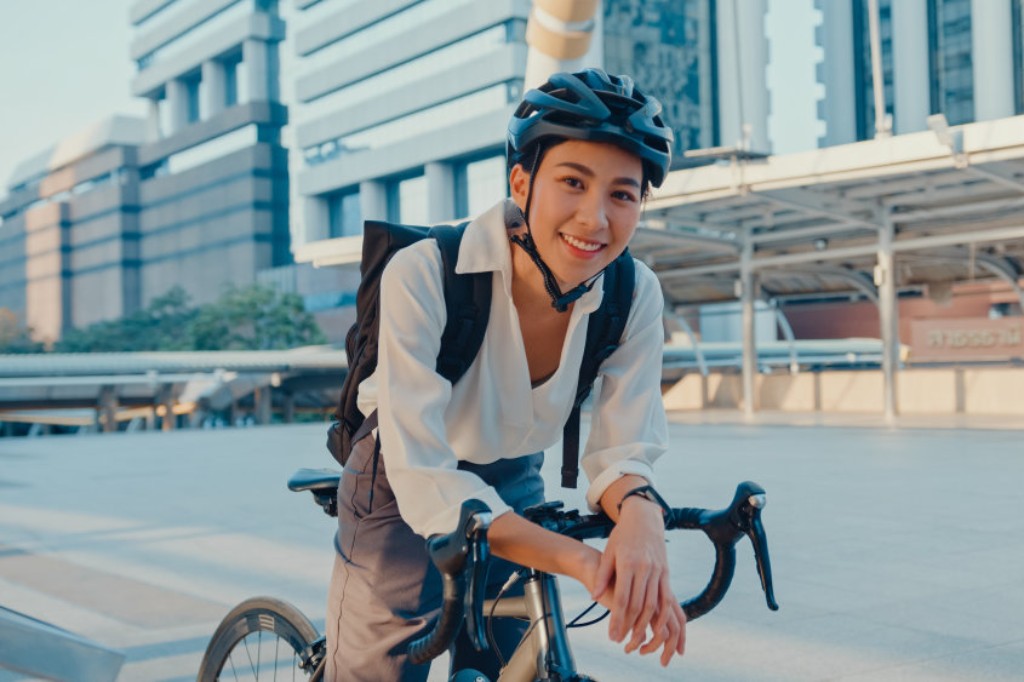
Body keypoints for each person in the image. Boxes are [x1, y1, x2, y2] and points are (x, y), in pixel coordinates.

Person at [325, 68, 683, 681]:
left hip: (512, 470)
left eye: (623, 194)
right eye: (573, 182)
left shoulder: (632, 292)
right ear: (523, 182)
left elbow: (623, 446)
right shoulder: (424, 273)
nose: (595, 219)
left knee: (509, 656)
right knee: (385, 662)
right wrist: (581, 561)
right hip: (399, 471)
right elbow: (423, 476)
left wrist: (643, 520)